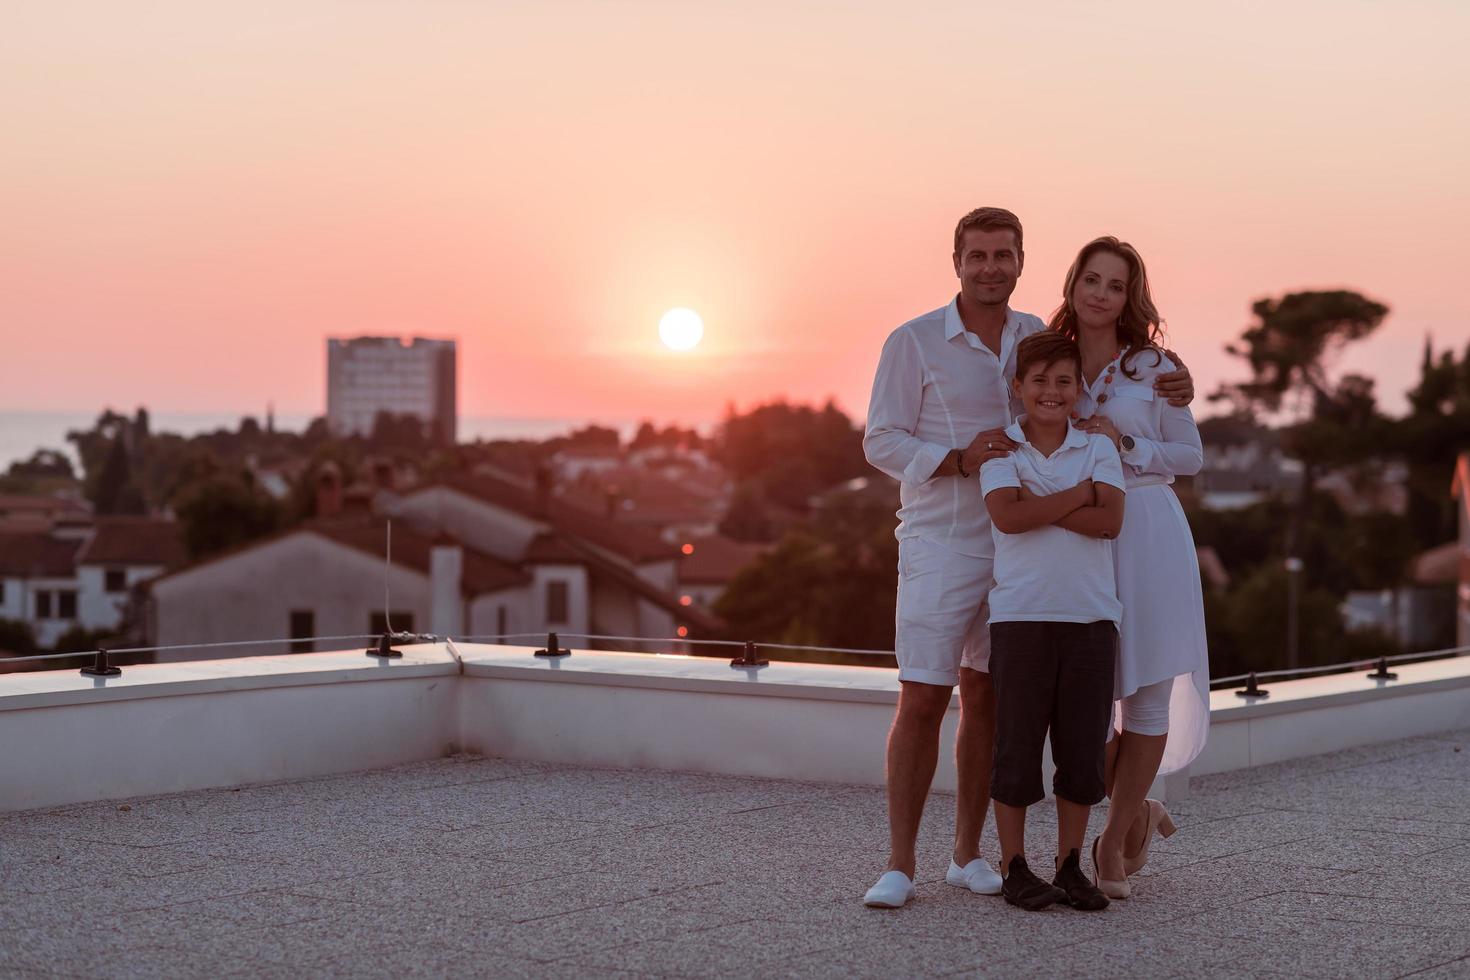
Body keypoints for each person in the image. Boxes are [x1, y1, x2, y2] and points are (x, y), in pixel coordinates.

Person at [860, 208, 1193, 909]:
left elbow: (1116, 381)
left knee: (992, 700)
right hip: (944, 541)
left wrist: (1174, 374)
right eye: (977, 255)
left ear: (1020, 261)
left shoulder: (1035, 338)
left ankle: (968, 856)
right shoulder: (913, 341)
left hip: (1030, 556)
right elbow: (880, 440)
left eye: (1003, 255)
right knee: (923, 694)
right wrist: (953, 460)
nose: (990, 267)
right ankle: (897, 865)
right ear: (956, 260)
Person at [1054, 236, 1208, 898]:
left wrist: (1127, 442)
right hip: (1078, 534)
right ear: (1072, 284)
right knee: (1085, 697)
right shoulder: (1046, 358)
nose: (1099, 294)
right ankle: (1141, 806)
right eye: (1090, 279)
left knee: (1145, 691)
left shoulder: (1155, 368)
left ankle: (1114, 842)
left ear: (1128, 297)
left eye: (1113, 285)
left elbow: (1192, 457)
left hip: (1148, 529)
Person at [980, 330, 1124, 911]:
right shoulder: (999, 450)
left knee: (1082, 749)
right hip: (1021, 618)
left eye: (1064, 381)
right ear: (1018, 387)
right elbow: (1007, 519)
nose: (1051, 391)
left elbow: (1110, 521)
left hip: (1091, 618)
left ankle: (1069, 865)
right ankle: (1015, 865)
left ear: (1077, 389)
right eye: (1039, 380)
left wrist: (1041, 503)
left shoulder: (1099, 447)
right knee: (1015, 746)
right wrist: (1077, 496)